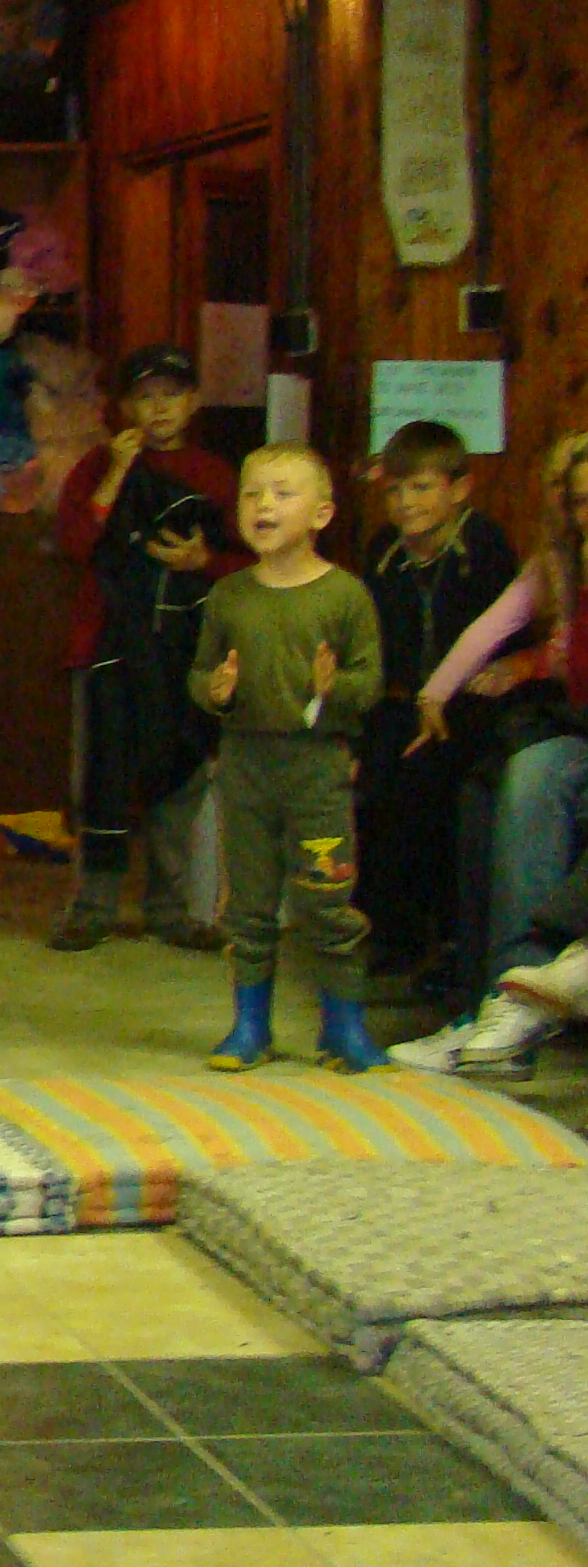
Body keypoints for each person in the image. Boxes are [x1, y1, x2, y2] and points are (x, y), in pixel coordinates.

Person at [393, 431, 588, 1078]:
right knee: (499, 780)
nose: (586, 512)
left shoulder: (487, 547)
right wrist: (436, 693)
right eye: (578, 500)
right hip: (577, 729)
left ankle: (551, 978)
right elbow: (497, 628)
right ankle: (497, 1003)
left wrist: (531, 664)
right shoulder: (564, 565)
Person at [189, 446, 384, 1073]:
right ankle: (250, 1027)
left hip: (318, 768)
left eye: (281, 492)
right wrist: (215, 691)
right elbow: (199, 673)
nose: (263, 505)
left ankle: (344, 1029)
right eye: (251, 493)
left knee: (327, 898)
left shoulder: (346, 594)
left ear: (322, 513)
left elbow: (370, 682)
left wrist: (335, 688)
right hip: (244, 766)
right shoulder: (228, 595)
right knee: (248, 903)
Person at [50, 345, 245, 952]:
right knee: (98, 777)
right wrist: (116, 471)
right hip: (106, 644)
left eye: (171, 395)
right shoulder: (97, 464)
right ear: (124, 407)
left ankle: (169, 907)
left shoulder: (215, 475)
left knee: (179, 776)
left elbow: (248, 561)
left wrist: (202, 560)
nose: (159, 408)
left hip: (187, 649)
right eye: (144, 397)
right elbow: (76, 541)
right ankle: (93, 906)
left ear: (193, 401)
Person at [354, 418, 520, 977]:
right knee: (377, 777)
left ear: (460, 488)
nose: (406, 503)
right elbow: (374, 640)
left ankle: (451, 938)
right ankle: (388, 930)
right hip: (403, 699)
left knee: (435, 784)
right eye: (395, 490)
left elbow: (498, 638)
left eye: (421, 487)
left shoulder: (484, 546)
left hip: (471, 700)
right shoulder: (383, 551)